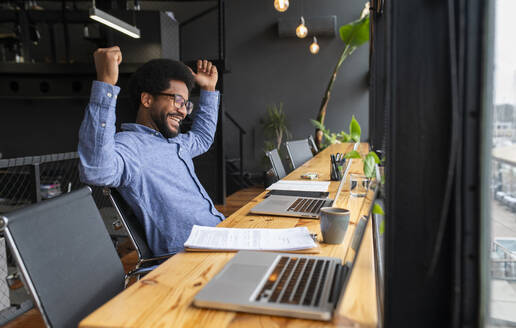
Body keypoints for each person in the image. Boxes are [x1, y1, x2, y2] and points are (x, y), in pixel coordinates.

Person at [78, 46, 225, 255]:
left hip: (221, 235)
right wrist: (106, 85)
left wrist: (209, 89)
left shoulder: (175, 143)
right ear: (147, 100)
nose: (183, 111)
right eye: (178, 100)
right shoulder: (129, 146)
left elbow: (202, 138)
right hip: (194, 256)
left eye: (186, 104)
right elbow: (97, 171)